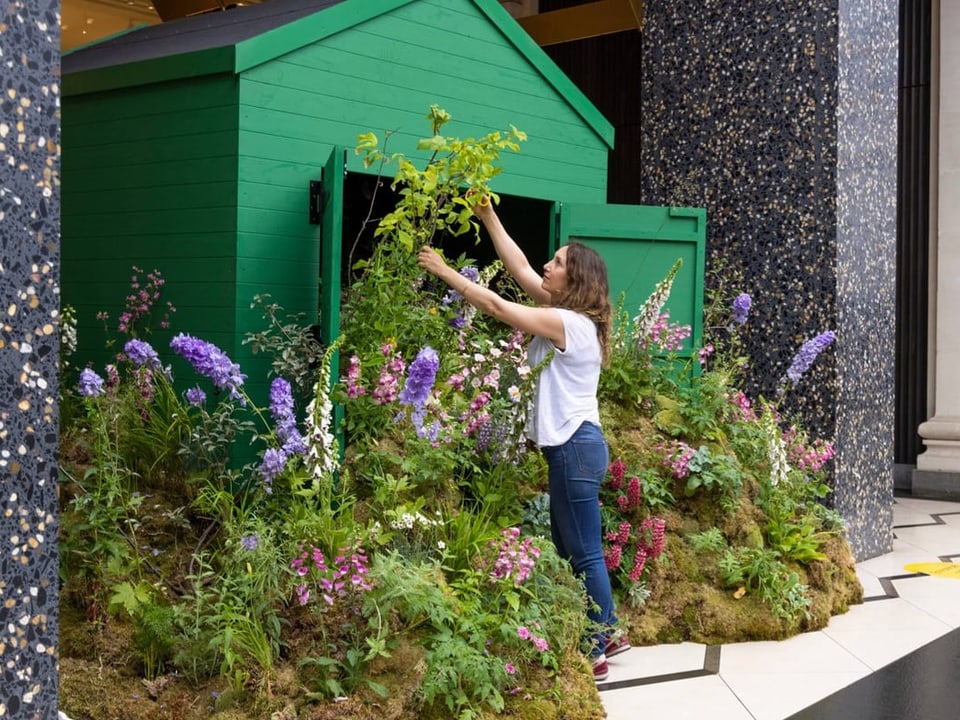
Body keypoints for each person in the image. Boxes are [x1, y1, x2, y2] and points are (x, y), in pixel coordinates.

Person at [416, 196, 630, 682]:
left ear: (574, 281)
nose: (545, 267)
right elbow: (516, 269)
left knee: (583, 549)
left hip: (575, 446)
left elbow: (495, 303)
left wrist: (447, 272)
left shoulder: (566, 323)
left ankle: (596, 644)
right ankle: (606, 631)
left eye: (556, 264)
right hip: (577, 446)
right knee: (573, 542)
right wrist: (488, 215)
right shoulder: (569, 316)